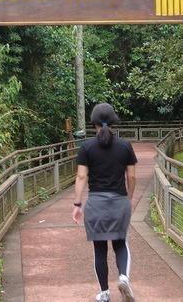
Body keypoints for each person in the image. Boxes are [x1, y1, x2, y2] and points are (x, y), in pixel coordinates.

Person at [72, 103, 137, 302]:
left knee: (99, 250)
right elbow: (132, 177)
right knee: (120, 244)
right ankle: (124, 278)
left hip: (96, 205)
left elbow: (81, 177)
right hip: (119, 203)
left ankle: (105, 293)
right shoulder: (125, 146)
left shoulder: (86, 147)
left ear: (93, 124)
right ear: (114, 121)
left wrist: (77, 205)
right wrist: (129, 199)